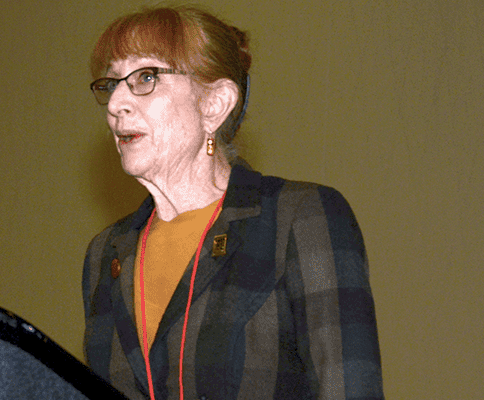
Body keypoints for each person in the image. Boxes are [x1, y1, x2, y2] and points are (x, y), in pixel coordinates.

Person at [81, 5, 383, 400]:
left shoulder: (299, 219)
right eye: (112, 82)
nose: (115, 103)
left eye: (146, 77)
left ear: (214, 104)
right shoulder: (106, 254)